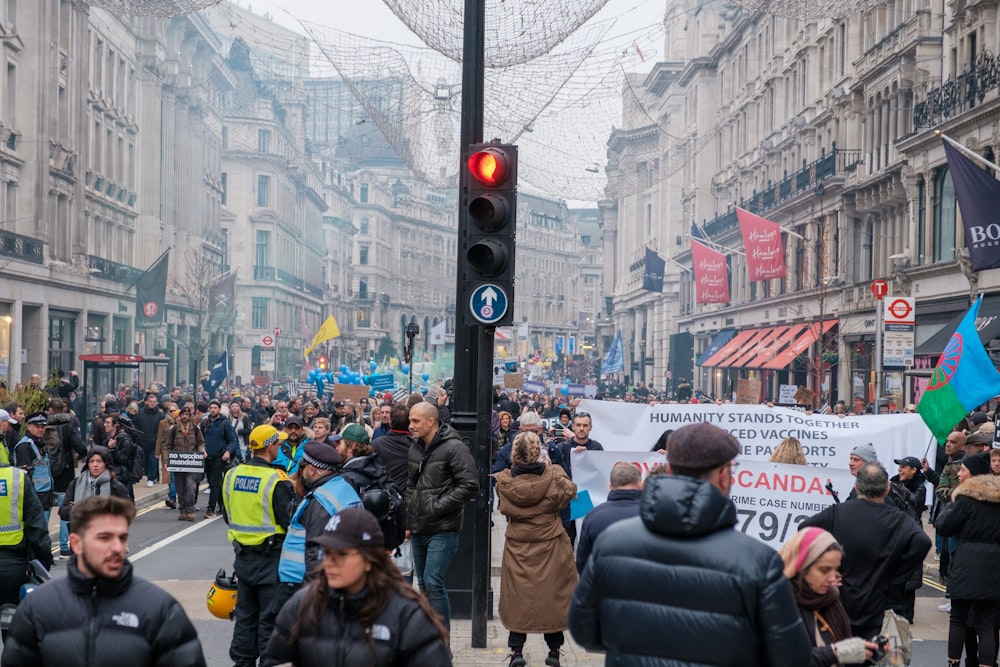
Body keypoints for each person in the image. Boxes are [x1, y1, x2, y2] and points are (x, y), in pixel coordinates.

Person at [569, 422, 811, 665]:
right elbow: (792, 656)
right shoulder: (760, 561)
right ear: (724, 476)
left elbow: (583, 629)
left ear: (671, 470)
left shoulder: (613, 542)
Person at [0, 495, 206, 667]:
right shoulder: (37, 610)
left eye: (122, 538)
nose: (117, 547)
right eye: (104, 538)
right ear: (76, 543)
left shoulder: (161, 610)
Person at [261, 507, 451, 667]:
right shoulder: (302, 605)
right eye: (326, 553)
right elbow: (275, 660)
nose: (330, 562)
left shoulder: (408, 616)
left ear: (369, 561)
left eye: (341, 554)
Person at [800, 462, 931, 638]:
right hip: (880, 606)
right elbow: (923, 542)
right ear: (886, 490)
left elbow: (805, 529)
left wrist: (825, 568)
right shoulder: (898, 519)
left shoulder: (837, 512)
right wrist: (898, 576)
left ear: (856, 487)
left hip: (839, 603)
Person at [494, 432, 577, 667]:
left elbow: (501, 505)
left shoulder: (505, 481)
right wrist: (555, 467)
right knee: (552, 597)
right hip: (551, 542)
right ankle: (553, 651)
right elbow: (571, 491)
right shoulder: (554, 477)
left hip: (518, 544)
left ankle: (516, 651)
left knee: (518, 597)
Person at [222, 424, 295, 667]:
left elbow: (227, 514)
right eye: (278, 443)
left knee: (244, 618)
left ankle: (242, 663)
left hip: (243, 559)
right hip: (271, 560)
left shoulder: (231, 475)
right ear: (271, 446)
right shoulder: (277, 479)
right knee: (269, 620)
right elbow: (289, 522)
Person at [271, 441, 362, 628]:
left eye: (302, 468)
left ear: (312, 470)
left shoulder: (320, 501)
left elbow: (316, 551)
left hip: (300, 582)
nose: (300, 473)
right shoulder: (344, 489)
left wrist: (313, 595)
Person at [407, 401, 478, 634]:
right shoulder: (415, 447)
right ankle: (427, 639)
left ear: (431, 421)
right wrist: (411, 511)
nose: (410, 426)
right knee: (424, 585)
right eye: (410, 420)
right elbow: (411, 485)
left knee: (433, 582)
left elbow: (469, 485)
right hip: (419, 527)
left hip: (443, 528)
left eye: (415, 421)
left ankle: (442, 641)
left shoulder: (454, 448)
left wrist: (437, 506)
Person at [934, 450, 1000, 667]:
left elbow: (944, 526)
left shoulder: (964, 500)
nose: (959, 474)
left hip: (965, 566)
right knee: (987, 624)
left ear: (974, 474)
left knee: (959, 619)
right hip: (994, 568)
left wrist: (953, 502)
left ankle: (953, 664)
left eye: (963, 470)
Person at [779, 527, 878, 666]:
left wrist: (868, 653)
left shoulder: (830, 600)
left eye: (835, 569)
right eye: (824, 570)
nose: (832, 578)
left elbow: (842, 656)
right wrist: (836, 652)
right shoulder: (778, 603)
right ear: (801, 566)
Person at [0, 459, 52, 605]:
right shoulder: (18, 477)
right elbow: (37, 528)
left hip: (13, 563)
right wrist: (43, 564)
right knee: (14, 621)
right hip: (14, 567)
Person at [575, 461, 642, 574]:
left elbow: (583, 562)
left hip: (605, 584)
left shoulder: (593, 516)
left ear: (610, 486)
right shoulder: (654, 513)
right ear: (640, 485)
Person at [57, 446, 130, 522]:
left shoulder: (115, 486)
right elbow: (62, 512)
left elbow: (128, 511)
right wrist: (74, 509)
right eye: (91, 461)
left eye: (99, 461)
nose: (95, 465)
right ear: (88, 464)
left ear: (106, 463)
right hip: (82, 531)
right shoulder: (76, 483)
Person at [163, 406, 206, 521]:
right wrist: (167, 461)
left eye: (187, 415)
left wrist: (202, 451)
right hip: (178, 464)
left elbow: (201, 443)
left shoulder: (196, 429)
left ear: (190, 416)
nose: (185, 417)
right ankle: (183, 510)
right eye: (183, 415)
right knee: (180, 489)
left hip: (192, 463)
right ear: (180, 416)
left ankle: (190, 510)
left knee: (190, 487)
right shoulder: (173, 430)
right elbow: (167, 446)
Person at [202, 399, 238, 519]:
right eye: (211, 408)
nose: (213, 410)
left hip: (219, 457)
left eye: (215, 408)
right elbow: (200, 439)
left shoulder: (225, 423)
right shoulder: (205, 423)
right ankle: (222, 504)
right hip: (207, 457)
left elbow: (233, 440)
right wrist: (202, 449)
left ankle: (210, 508)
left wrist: (228, 452)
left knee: (214, 482)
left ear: (219, 410)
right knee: (213, 483)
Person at [131, 392, 164, 486]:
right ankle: (144, 476)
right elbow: (134, 425)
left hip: (154, 443)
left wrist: (157, 438)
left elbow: (162, 429)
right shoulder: (140, 413)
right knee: (143, 461)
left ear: (157, 403)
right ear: (147, 402)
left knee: (153, 461)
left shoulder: (160, 415)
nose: (152, 403)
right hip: (142, 442)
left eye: (154, 401)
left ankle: (151, 478)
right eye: (151, 401)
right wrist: (138, 435)